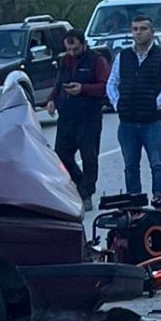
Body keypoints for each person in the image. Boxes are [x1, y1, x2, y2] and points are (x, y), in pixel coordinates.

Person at [106, 14, 161, 197]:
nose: (138, 33)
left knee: (157, 163)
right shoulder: (123, 56)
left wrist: (155, 105)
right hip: (127, 122)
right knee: (130, 165)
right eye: (135, 29)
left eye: (143, 29)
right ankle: (134, 203)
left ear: (152, 32)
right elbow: (112, 83)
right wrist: (118, 103)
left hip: (152, 122)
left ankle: (160, 199)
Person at [45, 30, 110, 211]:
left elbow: (105, 87)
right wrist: (51, 100)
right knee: (61, 157)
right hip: (66, 118)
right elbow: (59, 83)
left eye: (75, 48)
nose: (72, 52)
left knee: (89, 157)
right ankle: (80, 184)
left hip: (89, 118)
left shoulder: (97, 61)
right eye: (69, 49)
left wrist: (83, 89)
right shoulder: (64, 61)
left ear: (83, 44)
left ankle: (86, 193)